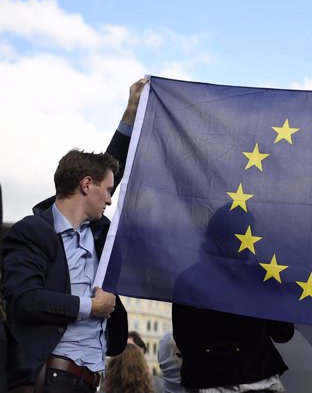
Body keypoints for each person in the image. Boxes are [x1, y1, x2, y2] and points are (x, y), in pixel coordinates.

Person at [1, 78, 148, 393]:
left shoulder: (98, 233)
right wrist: (90, 308)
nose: (110, 199)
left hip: (91, 381)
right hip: (50, 379)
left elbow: (110, 170)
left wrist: (130, 114)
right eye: (106, 191)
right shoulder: (32, 232)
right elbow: (24, 300)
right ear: (85, 186)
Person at [171, 206, 295, 393]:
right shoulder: (260, 277)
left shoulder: (187, 280)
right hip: (258, 379)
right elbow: (283, 333)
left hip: (205, 381)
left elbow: (182, 339)